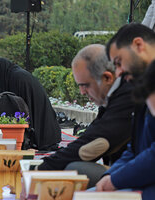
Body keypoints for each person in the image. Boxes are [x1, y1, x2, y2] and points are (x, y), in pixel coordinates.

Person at [37, 44, 135, 187]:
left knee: (77, 170)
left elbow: (94, 143)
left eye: (85, 85)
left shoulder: (130, 95)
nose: (82, 92)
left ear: (107, 77)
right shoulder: (116, 95)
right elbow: (91, 135)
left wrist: (40, 171)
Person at [98, 23, 155, 200]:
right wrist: (109, 179)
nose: (119, 72)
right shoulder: (141, 86)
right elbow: (135, 148)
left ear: (139, 45)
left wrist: (116, 180)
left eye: (118, 62)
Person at [0, 57, 61, 151]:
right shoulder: (15, 75)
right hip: (46, 128)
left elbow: (20, 107)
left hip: (43, 133)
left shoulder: (16, 78)